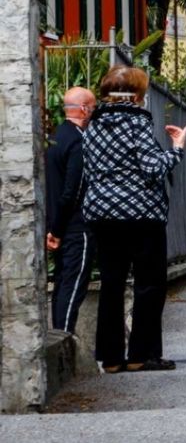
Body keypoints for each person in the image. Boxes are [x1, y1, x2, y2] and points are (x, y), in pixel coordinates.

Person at [82, 66, 186, 373]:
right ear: (139, 95)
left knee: (112, 283)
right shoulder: (137, 123)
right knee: (149, 283)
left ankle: (111, 357)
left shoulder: (93, 125)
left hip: (102, 213)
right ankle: (142, 354)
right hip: (141, 214)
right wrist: (177, 148)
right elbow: (154, 168)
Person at [46, 86, 97, 334]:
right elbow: (73, 190)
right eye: (94, 107)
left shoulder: (56, 136)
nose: (94, 112)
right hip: (76, 226)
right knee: (74, 285)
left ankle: (58, 334)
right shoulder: (78, 141)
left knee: (62, 284)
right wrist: (58, 227)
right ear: (84, 109)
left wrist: (53, 227)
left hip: (58, 224)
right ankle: (65, 337)